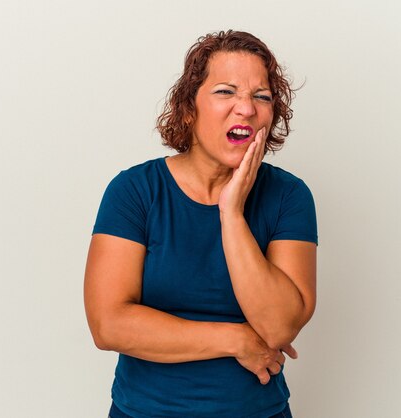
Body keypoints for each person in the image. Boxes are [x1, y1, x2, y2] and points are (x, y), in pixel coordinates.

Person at [84, 30, 318, 418]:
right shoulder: (134, 191)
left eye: (261, 96)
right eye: (226, 91)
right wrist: (236, 339)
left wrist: (231, 213)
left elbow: (278, 328)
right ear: (188, 107)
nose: (246, 108)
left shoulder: (289, 196)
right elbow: (109, 324)